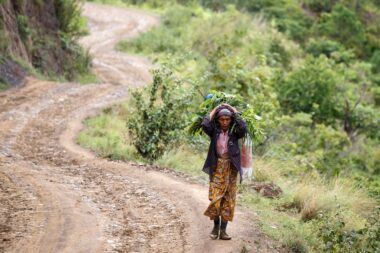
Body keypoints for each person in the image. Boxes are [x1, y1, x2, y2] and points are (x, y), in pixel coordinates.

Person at [201, 103, 247, 240]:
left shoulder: (235, 133)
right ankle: (215, 228)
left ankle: (223, 231)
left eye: (227, 119)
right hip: (217, 167)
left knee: (228, 198)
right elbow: (205, 124)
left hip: (231, 169)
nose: (225, 122)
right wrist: (216, 109)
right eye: (222, 119)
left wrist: (233, 110)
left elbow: (243, 127)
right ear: (218, 120)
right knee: (215, 197)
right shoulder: (214, 131)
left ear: (231, 120)